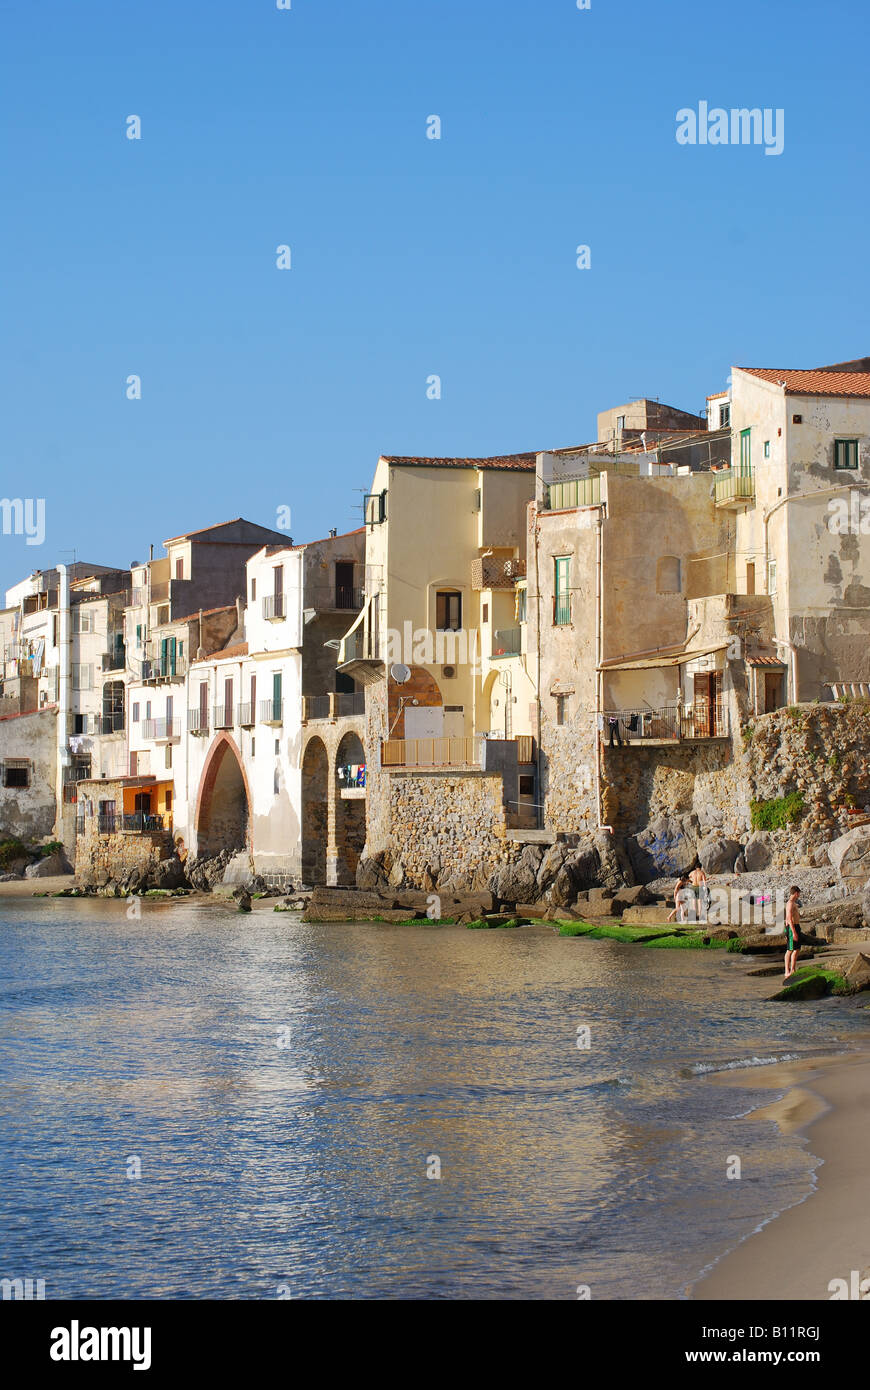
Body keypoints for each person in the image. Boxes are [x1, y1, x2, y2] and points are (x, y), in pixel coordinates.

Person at [784, 885, 802, 980]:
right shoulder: (790, 903)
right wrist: (793, 932)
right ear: (796, 893)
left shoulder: (793, 903)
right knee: (790, 950)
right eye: (799, 893)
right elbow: (789, 919)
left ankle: (793, 969)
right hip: (792, 928)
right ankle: (787, 971)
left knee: (797, 949)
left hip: (795, 926)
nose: (799, 895)